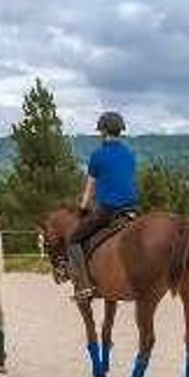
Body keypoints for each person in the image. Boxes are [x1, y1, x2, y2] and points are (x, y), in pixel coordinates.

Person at [66, 112, 140, 301]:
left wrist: (82, 209)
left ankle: (83, 286)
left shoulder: (97, 155)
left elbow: (89, 189)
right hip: (133, 209)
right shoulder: (129, 154)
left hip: (108, 210)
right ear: (119, 131)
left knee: (73, 240)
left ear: (103, 131)